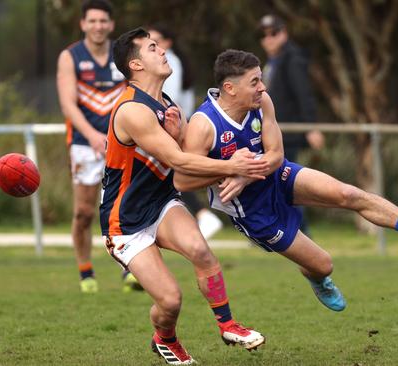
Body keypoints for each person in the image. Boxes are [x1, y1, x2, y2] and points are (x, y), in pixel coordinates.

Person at [173, 49, 398, 314]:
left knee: (348, 194)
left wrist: (245, 173)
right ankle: (316, 277)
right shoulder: (203, 125)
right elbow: (183, 181)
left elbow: (276, 155)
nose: (263, 87)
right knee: (323, 264)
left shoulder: (262, 104)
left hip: (276, 176)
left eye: (261, 79)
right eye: (254, 82)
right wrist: (230, 170)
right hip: (253, 212)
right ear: (230, 88)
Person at [102, 28, 268, 364]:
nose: (162, 51)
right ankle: (165, 338)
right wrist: (230, 166)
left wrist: (180, 135)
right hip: (126, 221)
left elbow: (182, 156)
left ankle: (228, 325)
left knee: (199, 250)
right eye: (152, 48)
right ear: (135, 64)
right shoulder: (133, 110)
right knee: (170, 301)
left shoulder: (167, 104)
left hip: (162, 203)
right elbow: (178, 160)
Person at [56, 0, 140, 293]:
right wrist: (92, 135)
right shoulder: (71, 57)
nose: (98, 26)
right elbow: (68, 103)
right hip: (83, 143)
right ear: (83, 24)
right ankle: (85, 272)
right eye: (92, 21)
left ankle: (128, 270)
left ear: (111, 24)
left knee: (122, 208)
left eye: (103, 21)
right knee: (84, 212)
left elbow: (136, 92)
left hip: (121, 143)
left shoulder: (123, 54)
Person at [147, 23, 224, 240]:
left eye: (156, 40)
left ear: (168, 42)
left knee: (177, 170)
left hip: (175, 123)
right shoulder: (173, 62)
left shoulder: (168, 63)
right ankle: (201, 215)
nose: (153, 45)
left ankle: (202, 215)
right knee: (176, 171)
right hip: (180, 122)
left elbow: (165, 102)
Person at [258, 14, 325, 236]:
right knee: (278, 182)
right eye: (264, 35)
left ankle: (299, 231)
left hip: (288, 132)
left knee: (287, 181)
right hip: (275, 131)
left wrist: (311, 127)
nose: (268, 39)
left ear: (283, 33)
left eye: (273, 34)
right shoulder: (272, 61)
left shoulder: (292, 58)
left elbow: (303, 94)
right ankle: (290, 230)